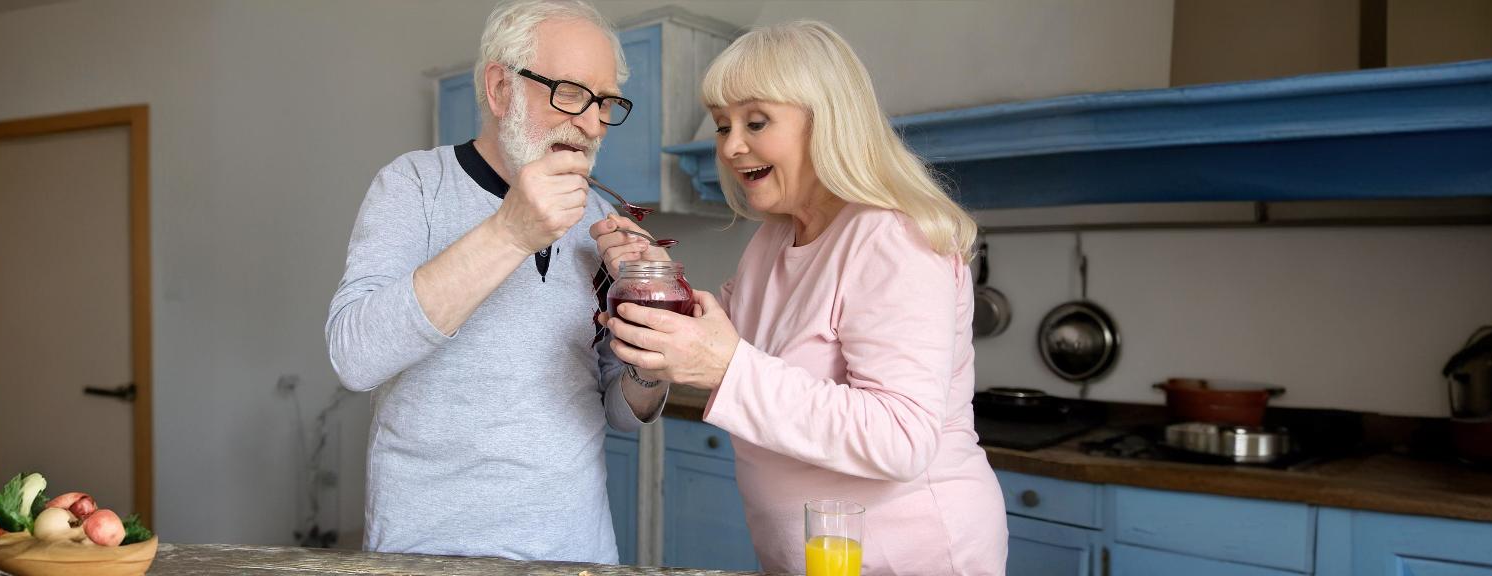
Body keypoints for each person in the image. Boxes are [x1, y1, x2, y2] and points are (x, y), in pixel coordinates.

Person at [592, 21, 1007, 575]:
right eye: (722, 125)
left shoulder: (892, 238)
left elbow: (901, 438)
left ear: (827, 119)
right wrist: (658, 283)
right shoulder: (773, 241)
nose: (731, 146)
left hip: (911, 555)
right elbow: (722, 338)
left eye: (756, 121)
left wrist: (725, 367)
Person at [325, 0, 670, 563]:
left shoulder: (602, 221)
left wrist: (651, 354)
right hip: (428, 555)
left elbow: (620, 409)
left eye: (606, 102)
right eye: (570, 92)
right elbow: (354, 357)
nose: (591, 123)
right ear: (501, 89)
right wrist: (510, 233)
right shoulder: (414, 185)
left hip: (577, 552)